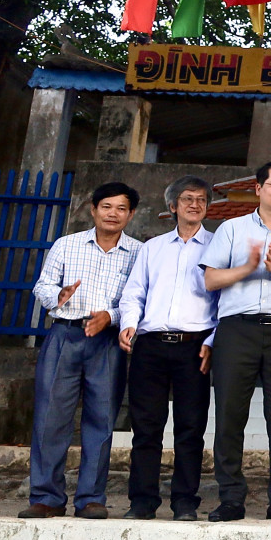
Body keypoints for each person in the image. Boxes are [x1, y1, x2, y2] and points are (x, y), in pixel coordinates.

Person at [201, 158, 271, 523]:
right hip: (237, 330)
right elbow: (210, 280)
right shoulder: (232, 229)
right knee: (229, 417)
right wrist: (248, 269)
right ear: (258, 189)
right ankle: (231, 498)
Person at [22, 182, 143, 519]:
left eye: (121, 208)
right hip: (66, 334)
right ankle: (46, 497)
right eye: (106, 206)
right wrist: (59, 296)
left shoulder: (139, 252)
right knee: (50, 419)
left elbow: (138, 299)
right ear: (93, 209)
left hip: (108, 341)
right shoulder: (68, 244)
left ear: (131, 214)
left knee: (101, 420)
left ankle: (91, 497)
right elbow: (43, 285)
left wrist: (111, 316)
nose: (113, 214)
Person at [116, 176, 215, 521]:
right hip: (151, 346)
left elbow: (224, 301)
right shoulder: (152, 248)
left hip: (195, 348)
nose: (194, 205)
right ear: (172, 206)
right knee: (146, 427)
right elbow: (135, 292)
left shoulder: (217, 247)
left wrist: (212, 341)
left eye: (201, 200)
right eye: (187, 199)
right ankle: (142, 501)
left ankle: (185, 501)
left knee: (191, 428)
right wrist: (129, 321)